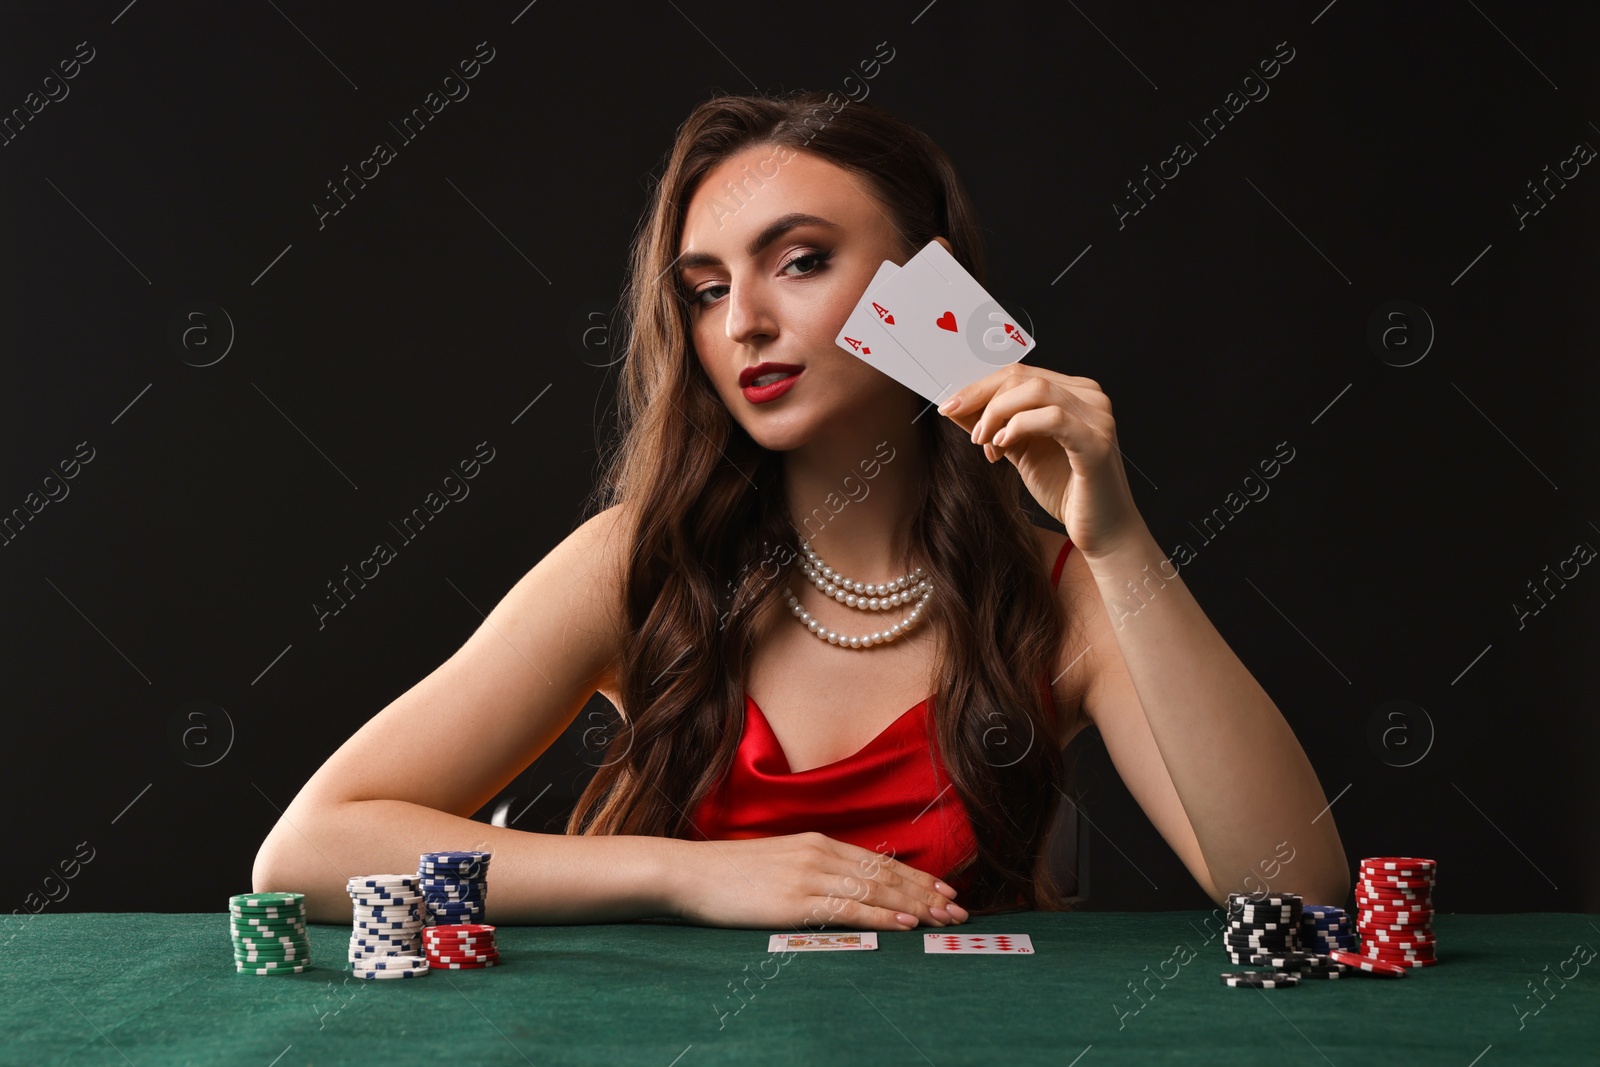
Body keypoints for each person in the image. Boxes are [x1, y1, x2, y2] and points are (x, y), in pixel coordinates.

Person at [254, 90, 1349, 929]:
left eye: (801, 261)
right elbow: (306, 851)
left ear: (933, 290)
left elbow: (1294, 889)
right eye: (707, 287)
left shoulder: (1063, 592)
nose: (744, 322)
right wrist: (687, 873)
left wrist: (1115, 537)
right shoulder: (637, 562)